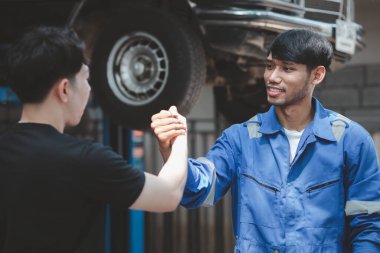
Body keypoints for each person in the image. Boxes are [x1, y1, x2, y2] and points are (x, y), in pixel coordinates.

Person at [151, 28, 380, 252]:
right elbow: (198, 191)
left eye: (287, 69)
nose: (272, 77)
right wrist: (173, 151)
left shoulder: (351, 141)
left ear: (317, 75)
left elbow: (368, 225)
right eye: (269, 66)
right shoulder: (240, 139)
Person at [0, 26, 188, 252]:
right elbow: (168, 194)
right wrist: (179, 138)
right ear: (65, 89)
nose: (89, 90)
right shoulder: (84, 159)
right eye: (86, 79)